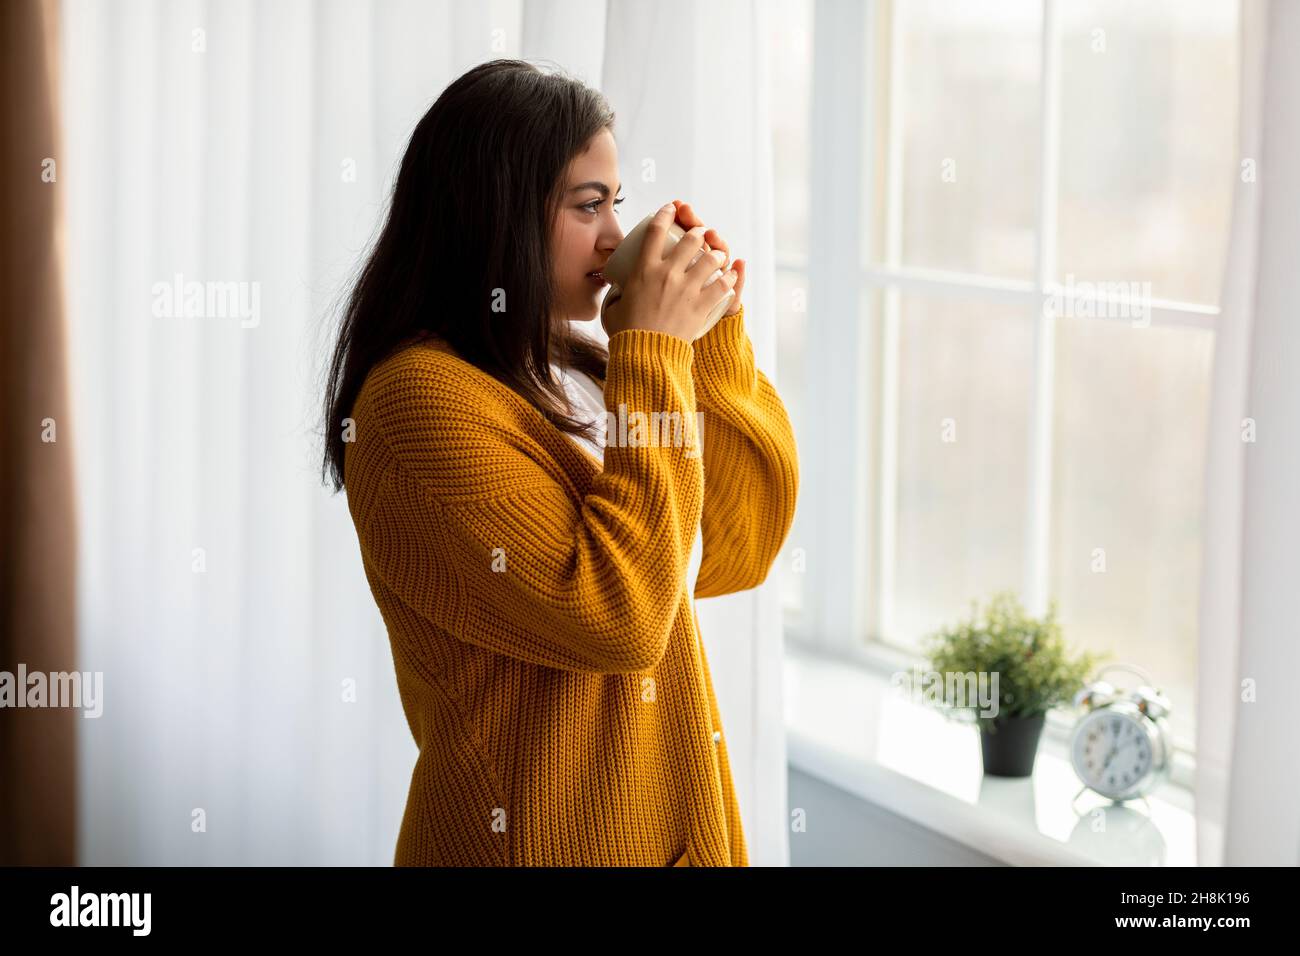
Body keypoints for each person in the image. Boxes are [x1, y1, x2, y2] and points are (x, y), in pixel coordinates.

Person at [320, 58, 798, 866]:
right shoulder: (416, 403)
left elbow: (732, 548)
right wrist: (654, 349)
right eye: (588, 206)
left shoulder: (569, 363)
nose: (615, 235)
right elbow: (622, 618)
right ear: (495, 212)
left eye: (616, 203)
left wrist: (704, 343)